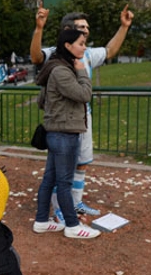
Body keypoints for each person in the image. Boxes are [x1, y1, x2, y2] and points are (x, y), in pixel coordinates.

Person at [31, 4, 134, 222]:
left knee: (81, 163)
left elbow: (110, 51)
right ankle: (60, 207)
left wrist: (124, 27)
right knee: (62, 169)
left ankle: (74, 203)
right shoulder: (56, 53)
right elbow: (36, 57)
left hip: (82, 119)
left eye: (87, 28)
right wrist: (39, 28)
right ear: (68, 31)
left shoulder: (83, 50)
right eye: (81, 28)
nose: (86, 31)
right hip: (63, 121)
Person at [32, 29, 100, 239]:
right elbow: (84, 94)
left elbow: (42, 101)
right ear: (68, 46)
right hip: (64, 134)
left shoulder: (55, 67)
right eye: (81, 43)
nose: (84, 47)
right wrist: (81, 71)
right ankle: (72, 225)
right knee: (64, 182)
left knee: (50, 180)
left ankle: (41, 221)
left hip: (57, 133)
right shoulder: (62, 71)